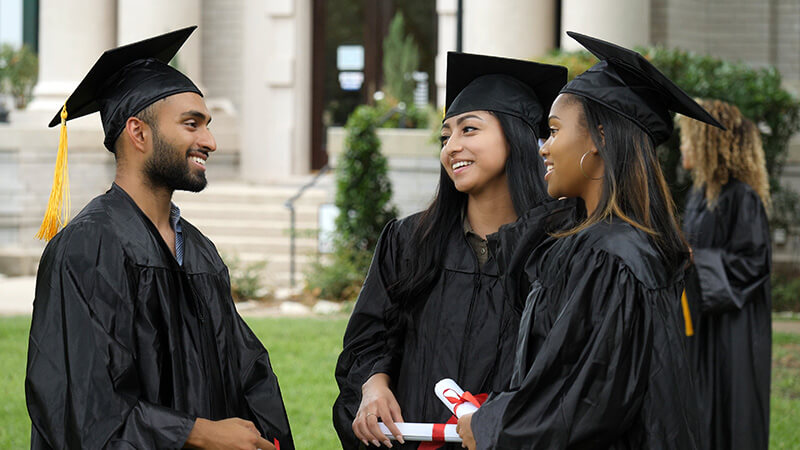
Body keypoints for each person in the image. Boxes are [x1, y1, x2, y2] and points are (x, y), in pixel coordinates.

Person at [25, 27, 293, 450]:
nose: (210, 141)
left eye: (207, 125)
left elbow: (247, 368)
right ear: (138, 133)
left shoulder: (198, 249)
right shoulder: (90, 248)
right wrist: (198, 433)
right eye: (192, 124)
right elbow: (82, 407)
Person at [456, 32, 726, 450]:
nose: (543, 148)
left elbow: (588, 395)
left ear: (598, 141)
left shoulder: (612, 257)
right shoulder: (606, 244)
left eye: (555, 130)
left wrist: (492, 425)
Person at [332, 52, 569, 449]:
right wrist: (373, 385)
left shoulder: (557, 248)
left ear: (518, 136)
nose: (451, 147)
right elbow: (368, 337)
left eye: (469, 130)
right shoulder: (409, 240)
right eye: (445, 137)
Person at [678, 99, 772, 450]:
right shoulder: (701, 197)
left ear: (709, 143)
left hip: (733, 327)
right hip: (703, 321)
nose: (683, 146)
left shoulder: (741, 198)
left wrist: (693, 259)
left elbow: (752, 264)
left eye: (689, 138)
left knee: (731, 405)